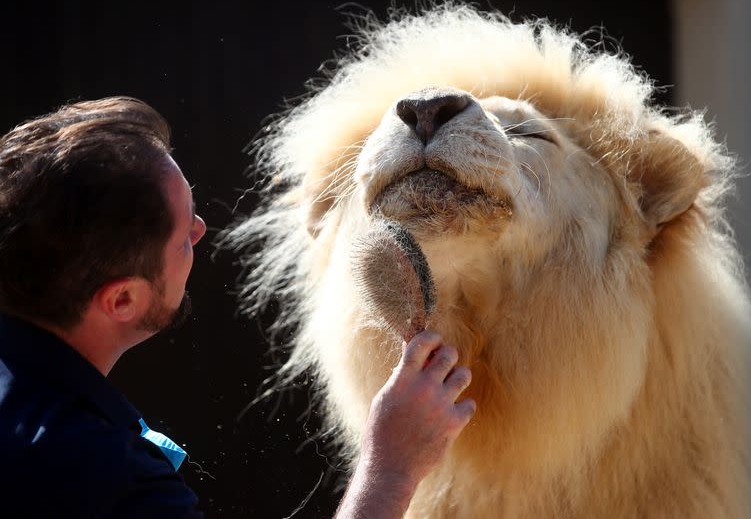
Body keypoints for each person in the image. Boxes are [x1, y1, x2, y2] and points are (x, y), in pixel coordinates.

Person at [0, 97, 476, 518]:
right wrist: (390, 468)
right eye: (183, 235)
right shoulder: (112, 481)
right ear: (122, 299)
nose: (201, 229)